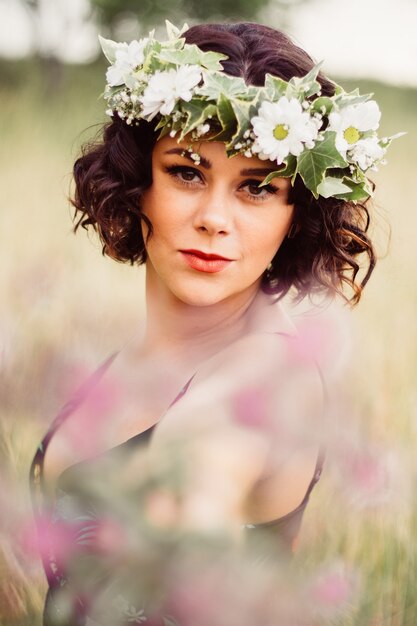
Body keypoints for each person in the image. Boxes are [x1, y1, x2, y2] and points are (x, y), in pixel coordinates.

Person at [29, 20, 398, 626]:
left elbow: (206, 468)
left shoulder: (264, 378)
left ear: (294, 216)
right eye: (187, 171)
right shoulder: (131, 358)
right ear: (138, 182)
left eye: (257, 188)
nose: (215, 219)